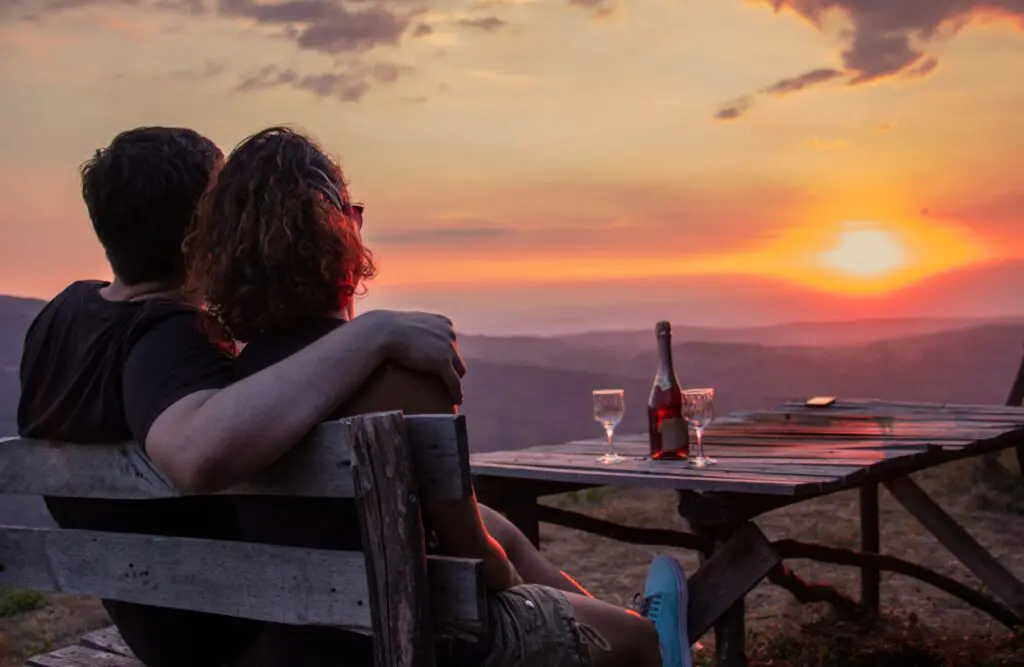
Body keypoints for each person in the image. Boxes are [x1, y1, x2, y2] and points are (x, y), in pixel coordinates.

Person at [183, 126, 693, 667]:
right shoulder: (404, 374)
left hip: (303, 643)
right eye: (352, 216)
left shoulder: (237, 393)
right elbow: (475, 559)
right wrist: (519, 590)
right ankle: (643, 632)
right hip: (418, 641)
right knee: (646, 646)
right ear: (334, 233)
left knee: (512, 540)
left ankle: (615, 619)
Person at [17, 127, 469, 667]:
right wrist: (372, 333)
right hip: (240, 632)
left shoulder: (64, 315)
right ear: (204, 229)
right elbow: (194, 454)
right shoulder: (168, 340)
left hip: (160, 613)